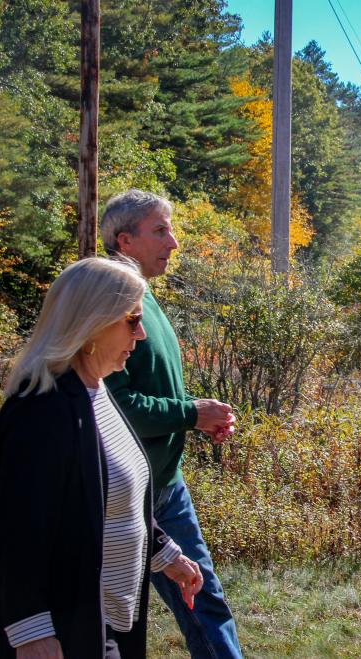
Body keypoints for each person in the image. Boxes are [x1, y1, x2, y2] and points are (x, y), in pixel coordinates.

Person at [0, 257, 203, 659]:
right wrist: (29, 630)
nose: (141, 335)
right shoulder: (42, 409)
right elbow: (13, 529)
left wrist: (165, 554)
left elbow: (113, 499)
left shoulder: (95, 390)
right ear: (92, 323)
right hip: (64, 627)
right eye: (132, 321)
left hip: (111, 616)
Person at [100, 190, 242, 658]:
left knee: (203, 598)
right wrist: (188, 414)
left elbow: (148, 389)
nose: (174, 242)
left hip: (164, 483)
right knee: (116, 623)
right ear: (125, 240)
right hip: (124, 493)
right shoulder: (111, 299)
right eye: (160, 231)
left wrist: (197, 412)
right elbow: (114, 406)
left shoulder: (141, 295)